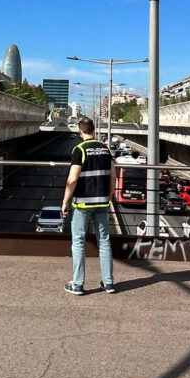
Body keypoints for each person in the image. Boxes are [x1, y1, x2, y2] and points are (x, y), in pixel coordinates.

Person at [61, 116, 115, 295]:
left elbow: (73, 178)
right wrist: (109, 196)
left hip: (83, 203)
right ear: (94, 130)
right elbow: (113, 176)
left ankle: (78, 284)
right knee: (104, 241)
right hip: (101, 202)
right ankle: (108, 283)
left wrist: (65, 201)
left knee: (78, 242)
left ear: (80, 131)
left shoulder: (79, 149)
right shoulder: (106, 149)